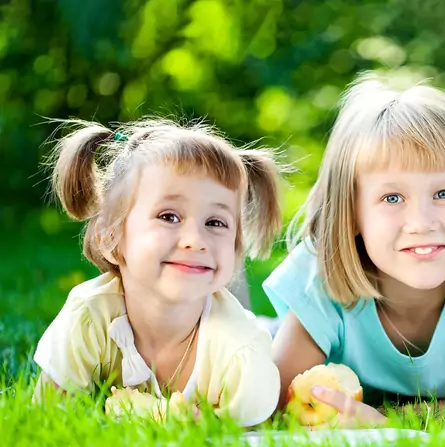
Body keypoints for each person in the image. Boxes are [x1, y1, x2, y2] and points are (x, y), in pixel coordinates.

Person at [262, 74, 445, 427]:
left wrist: (385, 419)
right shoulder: (319, 275)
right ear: (351, 213)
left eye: (444, 193)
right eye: (392, 198)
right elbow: (274, 411)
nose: (422, 222)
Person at [33, 118, 283, 428]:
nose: (195, 240)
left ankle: (276, 326)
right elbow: (48, 418)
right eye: (169, 216)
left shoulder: (241, 351)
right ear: (110, 237)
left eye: (215, 222)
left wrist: (205, 426)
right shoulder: (88, 317)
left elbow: (253, 434)